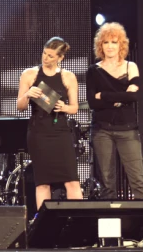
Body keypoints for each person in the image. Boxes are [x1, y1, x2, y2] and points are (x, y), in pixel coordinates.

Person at [86, 23, 143, 199]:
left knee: (137, 179)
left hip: (127, 129)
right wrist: (120, 97)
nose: (109, 46)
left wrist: (104, 95)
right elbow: (92, 102)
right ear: (100, 45)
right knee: (107, 182)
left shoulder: (131, 66)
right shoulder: (93, 71)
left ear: (121, 45)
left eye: (114, 42)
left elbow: (133, 98)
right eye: (106, 42)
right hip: (101, 130)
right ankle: (110, 222)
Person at [17, 37, 82, 212]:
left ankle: (76, 223)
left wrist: (64, 107)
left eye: (51, 56)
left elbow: (75, 107)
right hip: (38, 133)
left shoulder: (68, 76)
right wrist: (28, 95)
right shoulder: (29, 74)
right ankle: (43, 226)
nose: (45, 58)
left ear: (60, 58)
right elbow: (20, 106)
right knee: (43, 182)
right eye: (44, 53)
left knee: (72, 180)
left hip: (60, 132)